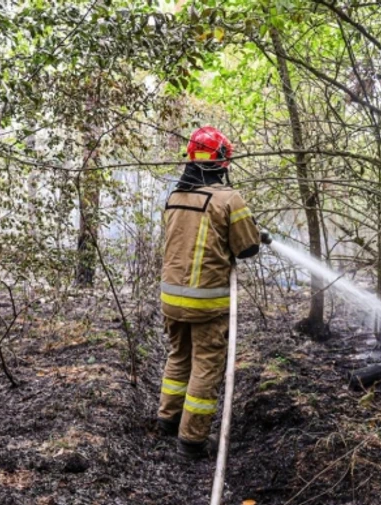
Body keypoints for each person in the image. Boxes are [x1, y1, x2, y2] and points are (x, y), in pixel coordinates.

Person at [156, 126, 269, 459]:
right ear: (222, 160)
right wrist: (255, 231)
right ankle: (192, 440)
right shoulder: (228, 198)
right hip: (206, 303)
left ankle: (167, 419)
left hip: (171, 299)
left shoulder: (174, 197)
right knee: (206, 365)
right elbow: (247, 248)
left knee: (179, 356)